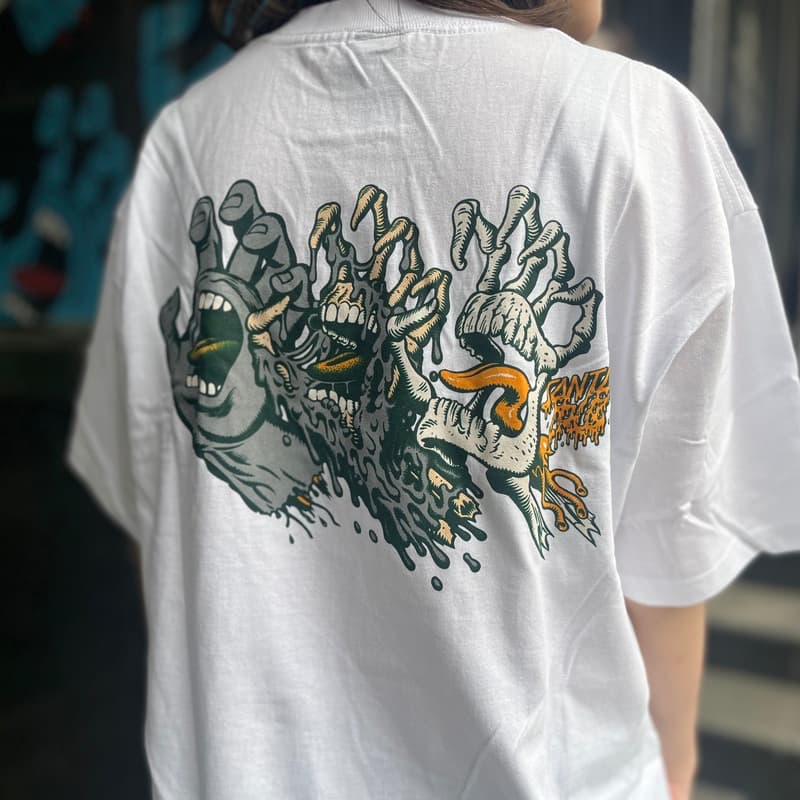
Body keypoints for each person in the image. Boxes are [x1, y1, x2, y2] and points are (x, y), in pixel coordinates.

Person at [66, 0, 800, 798]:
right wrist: (676, 771)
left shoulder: (186, 141)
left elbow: (156, 512)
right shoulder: (636, 126)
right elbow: (669, 557)